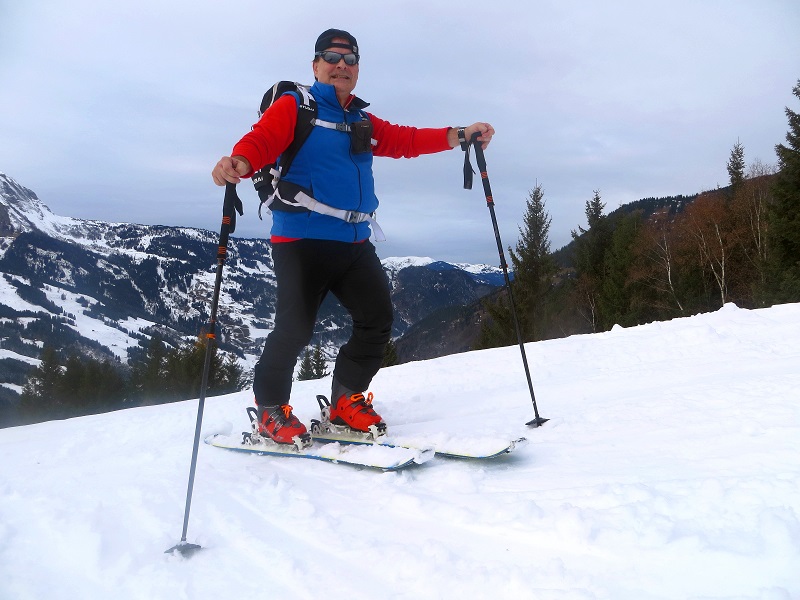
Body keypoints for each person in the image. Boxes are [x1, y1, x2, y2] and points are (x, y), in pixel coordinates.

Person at [212, 28, 494, 447]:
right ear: (316, 65)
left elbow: (406, 140)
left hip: (354, 241)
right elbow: (262, 140)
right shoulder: (296, 107)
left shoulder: (360, 120)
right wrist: (238, 160)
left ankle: (345, 400)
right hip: (301, 240)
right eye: (331, 57)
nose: (341, 65)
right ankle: (270, 410)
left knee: (377, 319)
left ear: (357, 70)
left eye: (349, 60)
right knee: (294, 330)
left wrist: (460, 134)